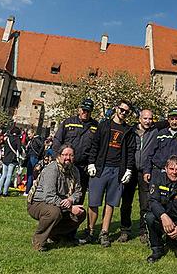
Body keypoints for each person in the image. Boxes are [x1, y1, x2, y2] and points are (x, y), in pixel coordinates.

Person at [86, 99, 136, 247]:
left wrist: (128, 169)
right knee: (94, 201)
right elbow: (95, 145)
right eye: (122, 109)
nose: (123, 113)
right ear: (116, 108)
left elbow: (131, 152)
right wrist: (91, 162)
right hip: (101, 167)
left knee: (110, 203)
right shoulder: (104, 125)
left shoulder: (129, 130)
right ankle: (90, 231)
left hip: (117, 170)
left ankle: (104, 233)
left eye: (127, 111)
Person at [27, 144, 86, 251]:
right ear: (59, 156)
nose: (68, 158)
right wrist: (70, 208)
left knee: (81, 213)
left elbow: (78, 191)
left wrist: (70, 200)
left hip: (61, 203)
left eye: (71, 155)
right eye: (65, 155)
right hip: (38, 202)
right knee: (54, 212)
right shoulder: (52, 169)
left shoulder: (75, 170)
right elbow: (49, 196)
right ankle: (38, 241)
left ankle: (55, 235)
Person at [145, 155, 177, 262]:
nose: (174, 172)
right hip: (163, 217)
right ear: (166, 168)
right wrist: (163, 216)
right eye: (171, 169)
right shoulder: (157, 179)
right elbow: (153, 201)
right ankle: (157, 249)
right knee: (150, 217)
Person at [118, 108, 156, 243]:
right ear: (139, 119)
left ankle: (143, 230)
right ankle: (125, 229)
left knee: (145, 202)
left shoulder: (155, 131)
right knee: (126, 202)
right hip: (131, 169)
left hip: (145, 171)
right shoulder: (131, 131)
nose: (147, 121)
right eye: (145, 118)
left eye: (150, 118)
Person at [52, 98, 98, 202]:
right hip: (66, 165)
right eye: (83, 110)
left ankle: (75, 217)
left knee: (78, 196)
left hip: (83, 167)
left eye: (88, 111)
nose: (85, 113)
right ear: (79, 109)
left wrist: (92, 163)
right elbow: (57, 140)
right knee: (63, 192)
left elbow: (96, 146)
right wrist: (57, 158)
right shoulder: (68, 122)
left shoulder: (95, 126)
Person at [144, 108, 177, 180]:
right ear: (168, 120)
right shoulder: (161, 134)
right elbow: (150, 153)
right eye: (172, 119)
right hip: (160, 172)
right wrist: (147, 171)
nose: (174, 122)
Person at [0, 125, 24, 197]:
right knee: (9, 176)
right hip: (12, 160)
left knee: (3, 175)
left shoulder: (7, 139)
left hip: (5, 159)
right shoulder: (17, 139)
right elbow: (19, 149)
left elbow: (5, 149)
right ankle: (5, 192)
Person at [25, 128, 44, 195]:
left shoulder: (36, 139)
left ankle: (27, 191)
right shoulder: (32, 140)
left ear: (33, 133)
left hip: (34, 157)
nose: (28, 135)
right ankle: (28, 189)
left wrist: (38, 155)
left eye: (29, 134)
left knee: (30, 174)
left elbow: (42, 145)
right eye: (28, 134)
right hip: (31, 157)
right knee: (31, 174)